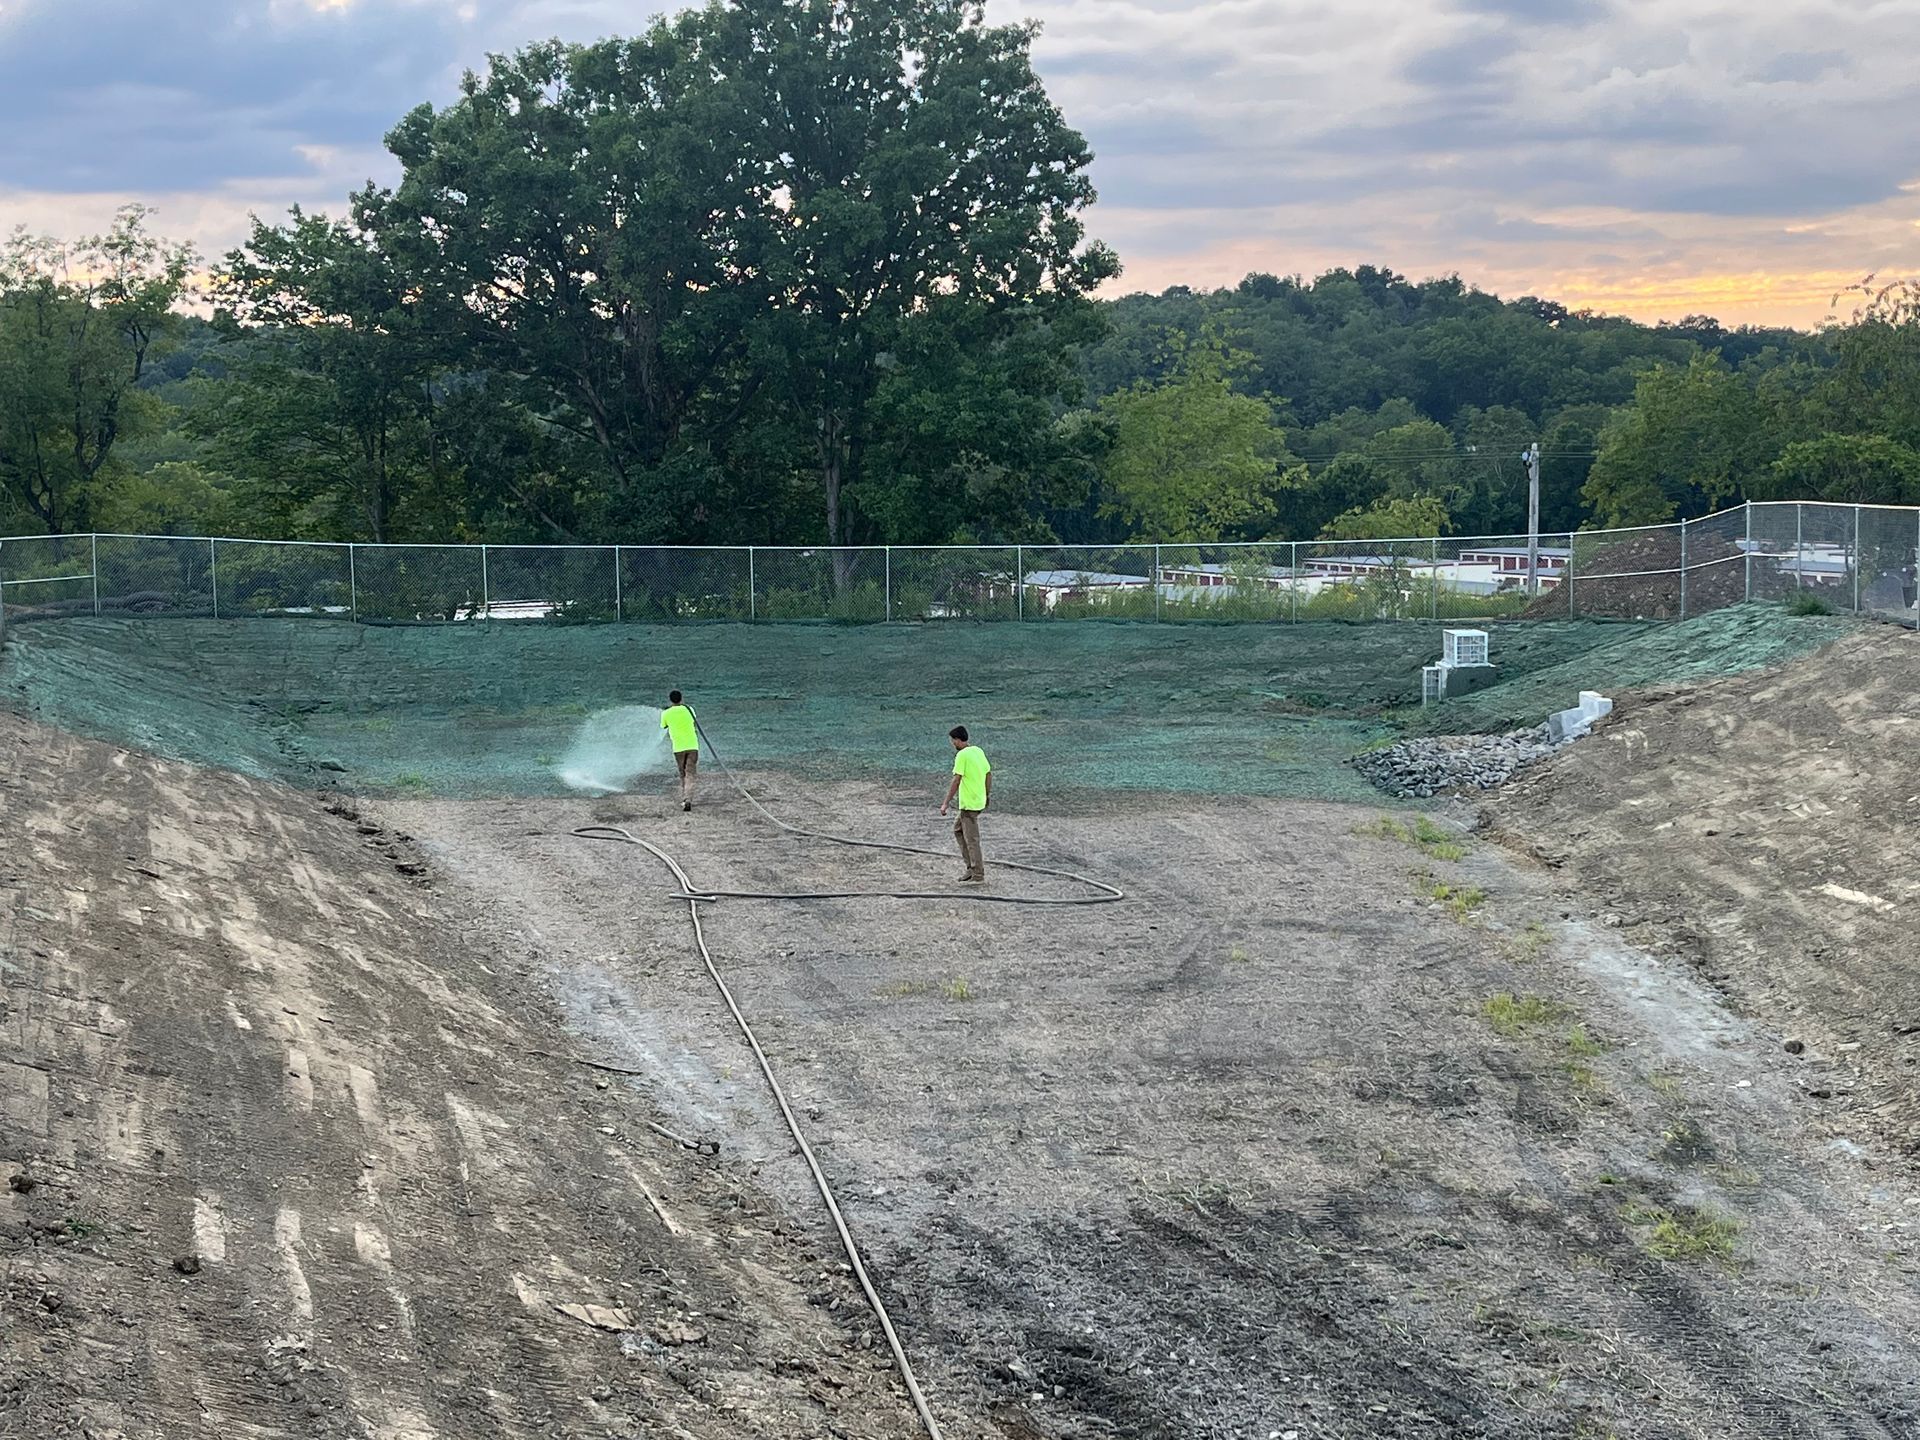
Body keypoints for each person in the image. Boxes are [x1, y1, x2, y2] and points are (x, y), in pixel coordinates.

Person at [939, 725, 992, 884]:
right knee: (958, 829)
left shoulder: (962, 755)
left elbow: (956, 780)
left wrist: (945, 803)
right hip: (978, 800)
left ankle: (977, 874)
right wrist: (986, 794)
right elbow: (988, 774)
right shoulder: (978, 751)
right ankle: (970, 867)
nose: (952, 744)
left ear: (957, 740)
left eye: (952, 741)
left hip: (969, 804)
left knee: (972, 839)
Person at [661, 690, 699, 811]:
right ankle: (688, 799)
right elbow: (693, 721)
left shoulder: (666, 713)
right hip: (692, 746)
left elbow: (663, 726)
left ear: (670, 700)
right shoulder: (690, 709)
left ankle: (685, 799)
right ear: (682, 698)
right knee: (690, 774)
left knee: (682, 774)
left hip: (678, 748)